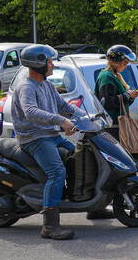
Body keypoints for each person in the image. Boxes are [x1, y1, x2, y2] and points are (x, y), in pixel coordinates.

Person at [8, 44, 83, 240]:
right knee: (56, 172)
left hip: (50, 135)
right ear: (38, 63)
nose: (53, 66)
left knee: (81, 155)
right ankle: (50, 226)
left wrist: (88, 117)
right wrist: (62, 121)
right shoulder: (26, 86)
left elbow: (63, 105)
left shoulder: (47, 85)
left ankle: (90, 203)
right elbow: (30, 112)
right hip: (34, 138)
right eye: (50, 62)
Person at [95, 44, 138, 142]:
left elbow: (122, 102)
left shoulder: (115, 76)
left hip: (117, 124)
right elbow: (107, 102)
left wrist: (131, 97)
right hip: (112, 126)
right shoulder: (106, 77)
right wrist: (127, 95)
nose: (126, 66)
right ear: (116, 62)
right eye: (125, 63)